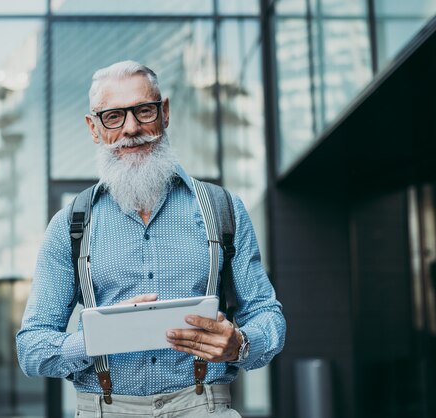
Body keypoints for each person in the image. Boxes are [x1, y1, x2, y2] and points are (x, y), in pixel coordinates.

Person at [16, 60, 286, 417]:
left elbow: (268, 315)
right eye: (114, 116)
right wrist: (100, 338)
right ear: (94, 128)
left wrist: (240, 344)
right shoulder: (69, 225)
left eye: (144, 111)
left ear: (165, 113)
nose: (132, 129)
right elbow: (31, 349)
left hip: (204, 406)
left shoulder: (223, 209)